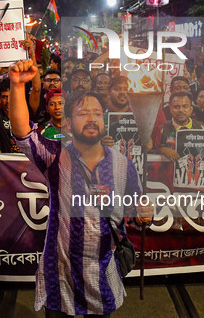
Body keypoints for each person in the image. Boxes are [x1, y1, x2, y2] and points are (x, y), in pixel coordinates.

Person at [8, 59, 153, 317]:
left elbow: (137, 207)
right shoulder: (55, 157)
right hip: (60, 271)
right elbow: (22, 133)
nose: (91, 119)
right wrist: (17, 85)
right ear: (68, 123)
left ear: (104, 121)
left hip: (102, 274)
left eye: (97, 113)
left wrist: (145, 213)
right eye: (82, 113)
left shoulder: (123, 165)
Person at [157, 92, 204, 161]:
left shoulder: (201, 127)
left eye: (185, 106)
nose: (181, 110)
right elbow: (150, 152)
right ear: (170, 110)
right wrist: (162, 150)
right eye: (176, 107)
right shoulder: (162, 129)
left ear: (191, 109)